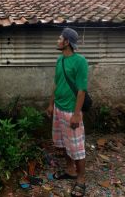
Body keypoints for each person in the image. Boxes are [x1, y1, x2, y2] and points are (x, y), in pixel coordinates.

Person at [46, 27, 88, 197]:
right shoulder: (60, 60)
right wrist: (51, 104)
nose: (57, 41)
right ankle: (70, 170)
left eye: (59, 38)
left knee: (77, 147)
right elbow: (56, 84)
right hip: (58, 108)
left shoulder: (80, 61)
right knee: (63, 142)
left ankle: (81, 179)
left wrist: (77, 114)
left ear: (67, 42)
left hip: (72, 111)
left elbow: (81, 90)